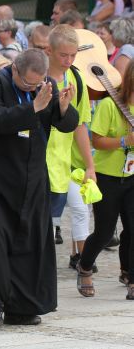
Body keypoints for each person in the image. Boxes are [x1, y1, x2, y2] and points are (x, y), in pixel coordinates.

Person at [0, 49, 78, 328]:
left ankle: (21, 307)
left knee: (29, 241)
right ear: (14, 70)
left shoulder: (47, 86)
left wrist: (62, 108)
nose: (34, 89)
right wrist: (32, 107)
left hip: (30, 176)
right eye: (27, 84)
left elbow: (64, 124)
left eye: (38, 84)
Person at [77, 61, 134, 300]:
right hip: (107, 176)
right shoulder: (111, 105)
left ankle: (130, 277)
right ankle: (85, 266)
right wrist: (125, 141)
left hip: (132, 176)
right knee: (104, 231)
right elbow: (96, 141)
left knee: (133, 228)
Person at [42, 26, 93, 250]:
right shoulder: (36, 75)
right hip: (36, 162)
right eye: (63, 55)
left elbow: (80, 125)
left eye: (73, 55)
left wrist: (89, 165)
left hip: (63, 165)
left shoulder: (76, 79)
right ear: (48, 51)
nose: (68, 60)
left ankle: (80, 263)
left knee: (59, 222)